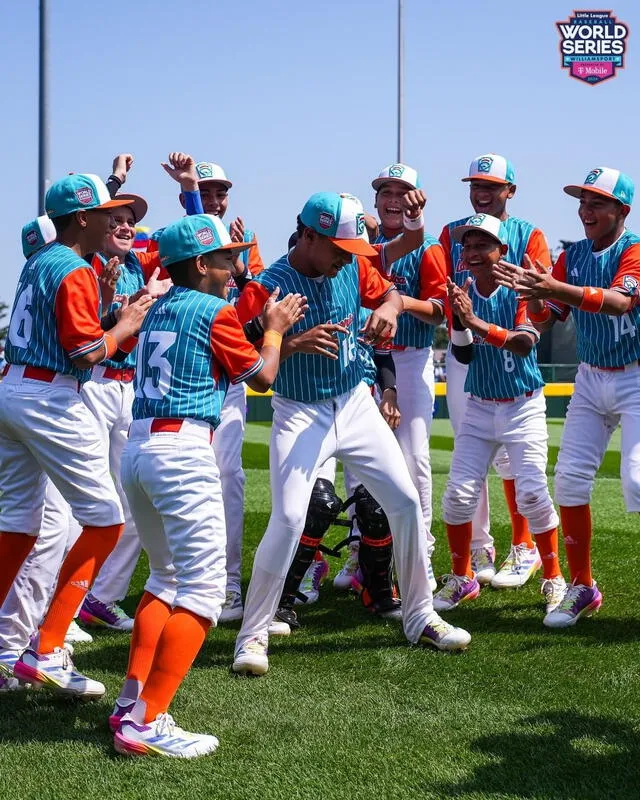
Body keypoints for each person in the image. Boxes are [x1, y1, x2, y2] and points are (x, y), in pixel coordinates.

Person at [230, 190, 471, 677]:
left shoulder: (351, 266)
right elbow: (239, 355)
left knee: (404, 502)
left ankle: (420, 615)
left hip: (356, 401)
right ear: (310, 236)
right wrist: (290, 342)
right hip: (300, 410)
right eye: (339, 248)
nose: (348, 258)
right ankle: (253, 632)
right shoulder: (270, 284)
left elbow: (388, 290)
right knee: (290, 516)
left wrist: (390, 308)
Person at [110, 213, 305, 758]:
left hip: (140, 446)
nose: (234, 267)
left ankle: (131, 703)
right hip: (181, 449)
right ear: (200, 264)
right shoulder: (214, 309)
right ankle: (145, 722)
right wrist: (273, 330)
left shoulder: (155, 307)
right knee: (200, 591)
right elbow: (263, 378)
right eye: (225, 258)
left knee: (165, 578)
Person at [2, 175, 152, 698]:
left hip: (14, 389)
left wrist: (111, 315)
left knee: (19, 524)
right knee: (106, 520)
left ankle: (4, 645)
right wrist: (127, 323)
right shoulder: (72, 267)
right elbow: (87, 354)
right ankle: (47, 647)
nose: (114, 220)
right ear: (80, 218)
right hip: (50, 396)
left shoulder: (39, 261)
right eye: (105, 213)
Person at [493, 167, 640, 627]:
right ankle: (582, 586)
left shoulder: (633, 248)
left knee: (636, 482)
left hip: (636, 377)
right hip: (591, 377)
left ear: (622, 210)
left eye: (597, 202)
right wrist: (534, 293)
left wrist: (555, 288)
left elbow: (621, 301)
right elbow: (545, 316)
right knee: (570, 482)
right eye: (582, 201)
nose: (586, 210)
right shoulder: (571, 255)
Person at [434, 213, 565, 618]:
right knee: (457, 497)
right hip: (479, 404)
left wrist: (475, 320)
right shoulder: (463, 290)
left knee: (532, 494)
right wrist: (459, 321)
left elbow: (526, 342)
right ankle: (463, 578)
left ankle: (554, 576)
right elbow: (463, 354)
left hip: (521, 404)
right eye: (467, 246)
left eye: (481, 245)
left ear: (501, 250)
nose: (472, 253)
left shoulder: (519, 285)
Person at [177, 160, 265, 623]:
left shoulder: (243, 252)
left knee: (228, 478)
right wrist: (191, 194)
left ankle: (228, 582)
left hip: (227, 380)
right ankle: (183, 580)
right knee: (179, 481)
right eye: (206, 193)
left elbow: (258, 307)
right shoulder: (187, 241)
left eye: (219, 193)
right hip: (187, 380)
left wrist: (247, 272)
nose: (214, 200)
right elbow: (198, 230)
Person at [369, 163, 448, 591]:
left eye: (403, 193)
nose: (394, 199)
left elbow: (439, 310)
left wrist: (398, 302)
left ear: (417, 199)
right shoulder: (361, 243)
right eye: (387, 192)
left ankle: (423, 555)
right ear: (376, 200)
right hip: (366, 360)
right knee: (362, 466)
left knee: (414, 458)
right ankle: (370, 555)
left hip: (412, 357)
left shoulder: (429, 246)